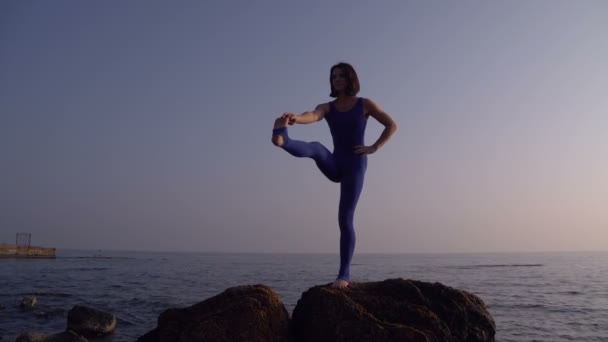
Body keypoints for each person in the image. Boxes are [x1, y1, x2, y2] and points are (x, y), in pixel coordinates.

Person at [271, 62, 397, 288]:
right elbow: (313, 115)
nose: (337, 79)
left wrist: (374, 147)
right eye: (334, 76)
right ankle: (283, 140)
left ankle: (343, 276)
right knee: (318, 148)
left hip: (355, 165)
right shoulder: (327, 107)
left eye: (341, 75)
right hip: (335, 162)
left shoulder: (364, 104)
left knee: (345, 217)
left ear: (350, 79)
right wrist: (295, 119)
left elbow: (391, 124)